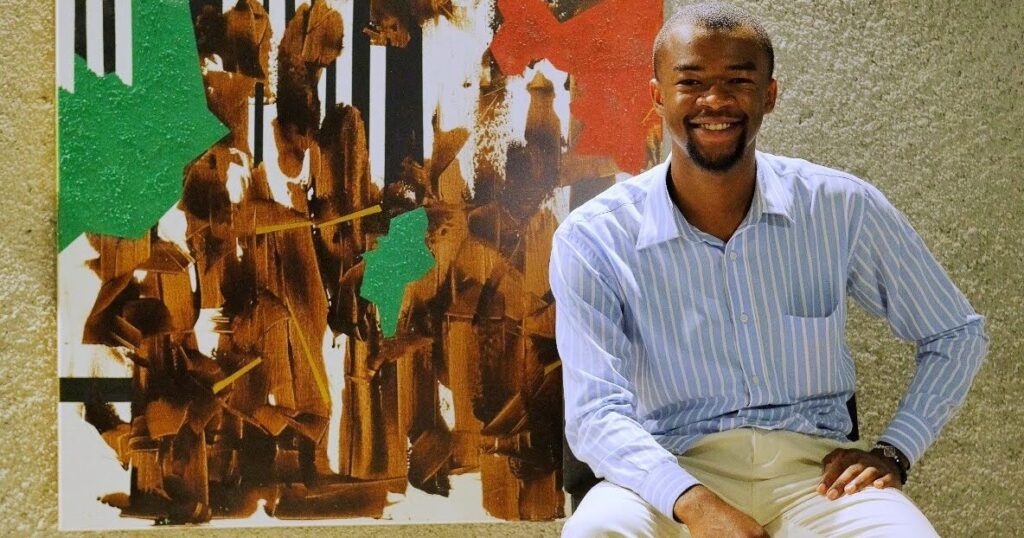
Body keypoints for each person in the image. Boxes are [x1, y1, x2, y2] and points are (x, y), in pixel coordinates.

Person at [549, 3, 988, 537]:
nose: (715, 100)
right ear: (658, 96)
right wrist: (696, 504)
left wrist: (896, 449)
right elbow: (595, 413)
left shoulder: (840, 207)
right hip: (669, 470)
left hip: (817, 475)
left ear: (769, 95)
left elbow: (956, 333)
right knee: (596, 532)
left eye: (738, 81)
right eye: (691, 82)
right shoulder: (594, 237)